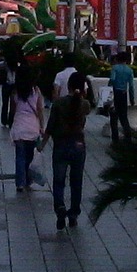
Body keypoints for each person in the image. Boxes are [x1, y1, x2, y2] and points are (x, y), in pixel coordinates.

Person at [42, 71, 91, 230]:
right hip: (78, 145)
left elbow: (50, 126)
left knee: (59, 180)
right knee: (76, 181)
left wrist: (42, 144)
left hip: (61, 145)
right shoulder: (84, 104)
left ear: (68, 85)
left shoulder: (58, 103)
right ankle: (74, 213)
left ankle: (60, 208)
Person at [9, 75, 45, 193]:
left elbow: (13, 110)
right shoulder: (36, 91)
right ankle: (28, 180)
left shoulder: (15, 92)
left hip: (19, 127)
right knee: (29, 156)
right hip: (32, 128)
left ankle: (20, 183)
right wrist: (41, 126)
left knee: (20, 157)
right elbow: (39, 109)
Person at [108, 51, 135, 142]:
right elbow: (131, 86)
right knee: (124, 117)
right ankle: (128, 136)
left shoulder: (115, 68)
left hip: (115, 93)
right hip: (124, 94)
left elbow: (112, 79)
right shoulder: (129, 70)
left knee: (114, 117)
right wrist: (132, 99)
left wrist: (108, 89)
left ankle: (115, 138)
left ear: (117, 59)